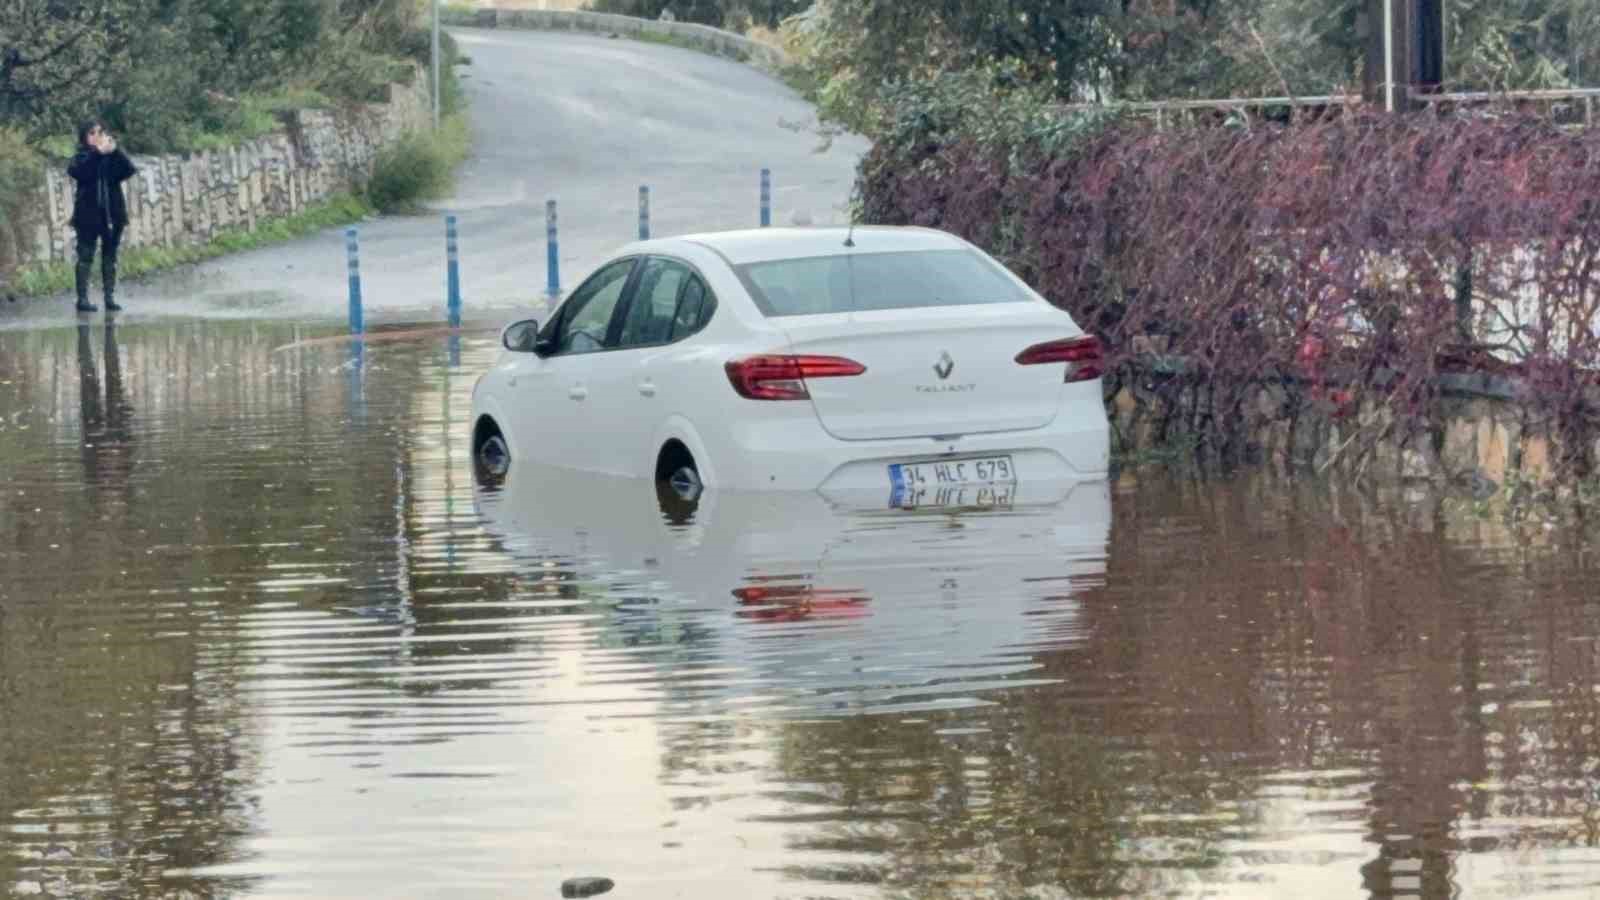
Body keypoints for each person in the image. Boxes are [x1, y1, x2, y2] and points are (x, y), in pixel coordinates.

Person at [66, 121, 137, 313]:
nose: (97, 136)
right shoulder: (81, 157)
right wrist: (98, 153)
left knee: (110, 256)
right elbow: (80, 172)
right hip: (88, 216)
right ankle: (82, 299)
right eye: (92, 133)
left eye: (100, 132)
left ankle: (109, 297)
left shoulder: (111, 157)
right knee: (85, 256)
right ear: (84, 137)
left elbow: (129, 170)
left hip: (112, 214)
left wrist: (116, 150)